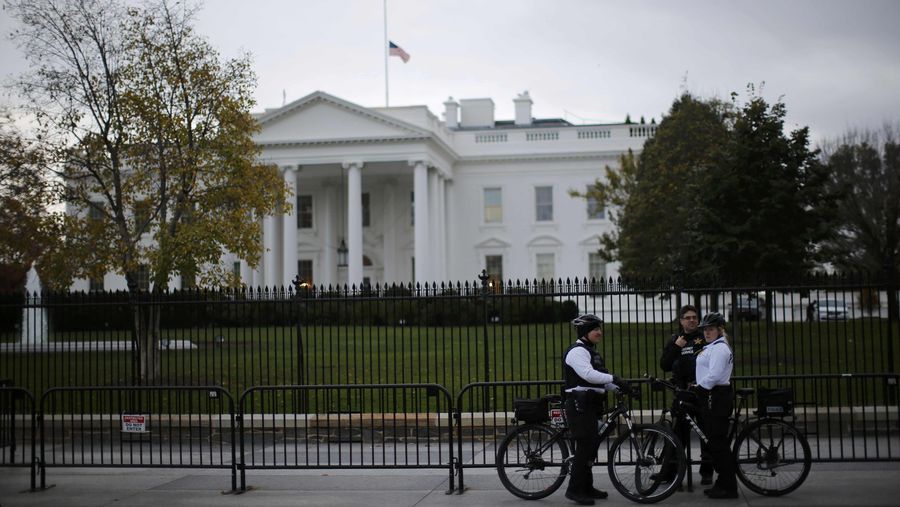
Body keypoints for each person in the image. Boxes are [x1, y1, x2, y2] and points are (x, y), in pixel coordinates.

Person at [562, 314, 628, 505]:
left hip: (591, 405)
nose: (600, 332)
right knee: (584, 447)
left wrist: (620, 387)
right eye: (595, 329)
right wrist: (614, 379)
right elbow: (589, 375)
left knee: (591, 446)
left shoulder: (592, 352)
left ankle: (586, 486)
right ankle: (574, 490)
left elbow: (601, 377)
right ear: (584, 332)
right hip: (579, 405)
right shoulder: (577, 352)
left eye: (599, 328)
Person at [656, 304, 714, 485]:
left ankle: (707, 472)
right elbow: (664, 365)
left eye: (694, 317)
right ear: (681, 321)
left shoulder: (704, 338)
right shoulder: (676, 339)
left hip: (702, 392)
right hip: (682, 394)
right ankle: (670, 472)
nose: (691, 320)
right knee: (676, 436)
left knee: (706, 433)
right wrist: (675, 347)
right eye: (687, 318)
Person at [694, 312, 738, 499]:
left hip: (717, 397)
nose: (707, 332)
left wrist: (700, 388)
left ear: (720, 330)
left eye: (711, 329)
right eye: (705, 329)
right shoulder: (714, 346)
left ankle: (729, 486)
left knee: (718, 443)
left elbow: (715, 374)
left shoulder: (720, 349)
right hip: (713, 395)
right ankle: (723, 482)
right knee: (716, 443)